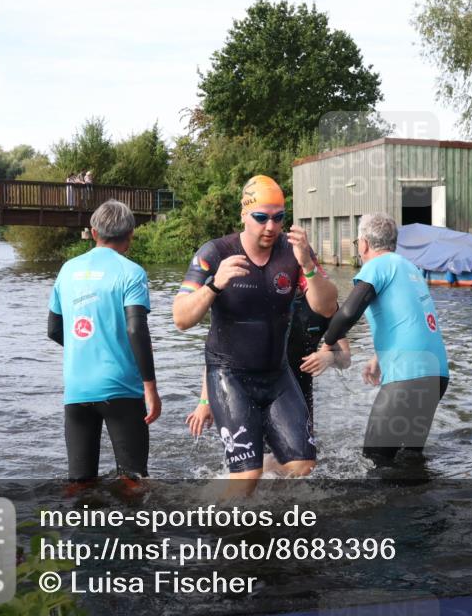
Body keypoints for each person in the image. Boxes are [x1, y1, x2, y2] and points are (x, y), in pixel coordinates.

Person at [172, 175, 337, 492]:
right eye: (261, 217)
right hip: (229, 376)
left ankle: (248, 474)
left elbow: (327, 308)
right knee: (247, 478)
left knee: (303, 466)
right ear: (244, 215)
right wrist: (215, 285)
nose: (271, 227)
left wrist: (310, 267)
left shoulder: (294, 253)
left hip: (276, 375)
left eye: (279, 218)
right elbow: (181, 318)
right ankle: (221, 527)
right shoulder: (215, 252)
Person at [318, 212, 449, 465]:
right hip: (437, 375)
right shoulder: (410, 268)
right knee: (410, 460)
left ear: (364, 243)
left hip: (408, 377)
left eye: (357, 245)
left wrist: (328, 344)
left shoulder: (376, 265)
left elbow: (347, 313)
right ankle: (423, 505)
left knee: (375, 461)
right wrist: (378, 358)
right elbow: (410, 318)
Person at [47, 199, 161, 481]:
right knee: (133, 480)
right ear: (130, 235)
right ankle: (132, 525)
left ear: (94, 232)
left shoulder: (67, 270)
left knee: (79, 482)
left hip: (77, 388)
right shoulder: (131, 273)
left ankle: (77, 523)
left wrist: (85, 345)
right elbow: (136, 329)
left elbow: (53, 329)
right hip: (121, 387)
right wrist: (150, 388)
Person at [185, 291, 352, 442]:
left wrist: (329, 357)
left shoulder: (324, 303)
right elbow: (220, 353)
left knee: (304, 464)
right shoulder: (256, 297)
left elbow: (345, 358)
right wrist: (205, 401)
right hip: (249, 390)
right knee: (252, 461)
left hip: (299, 396)